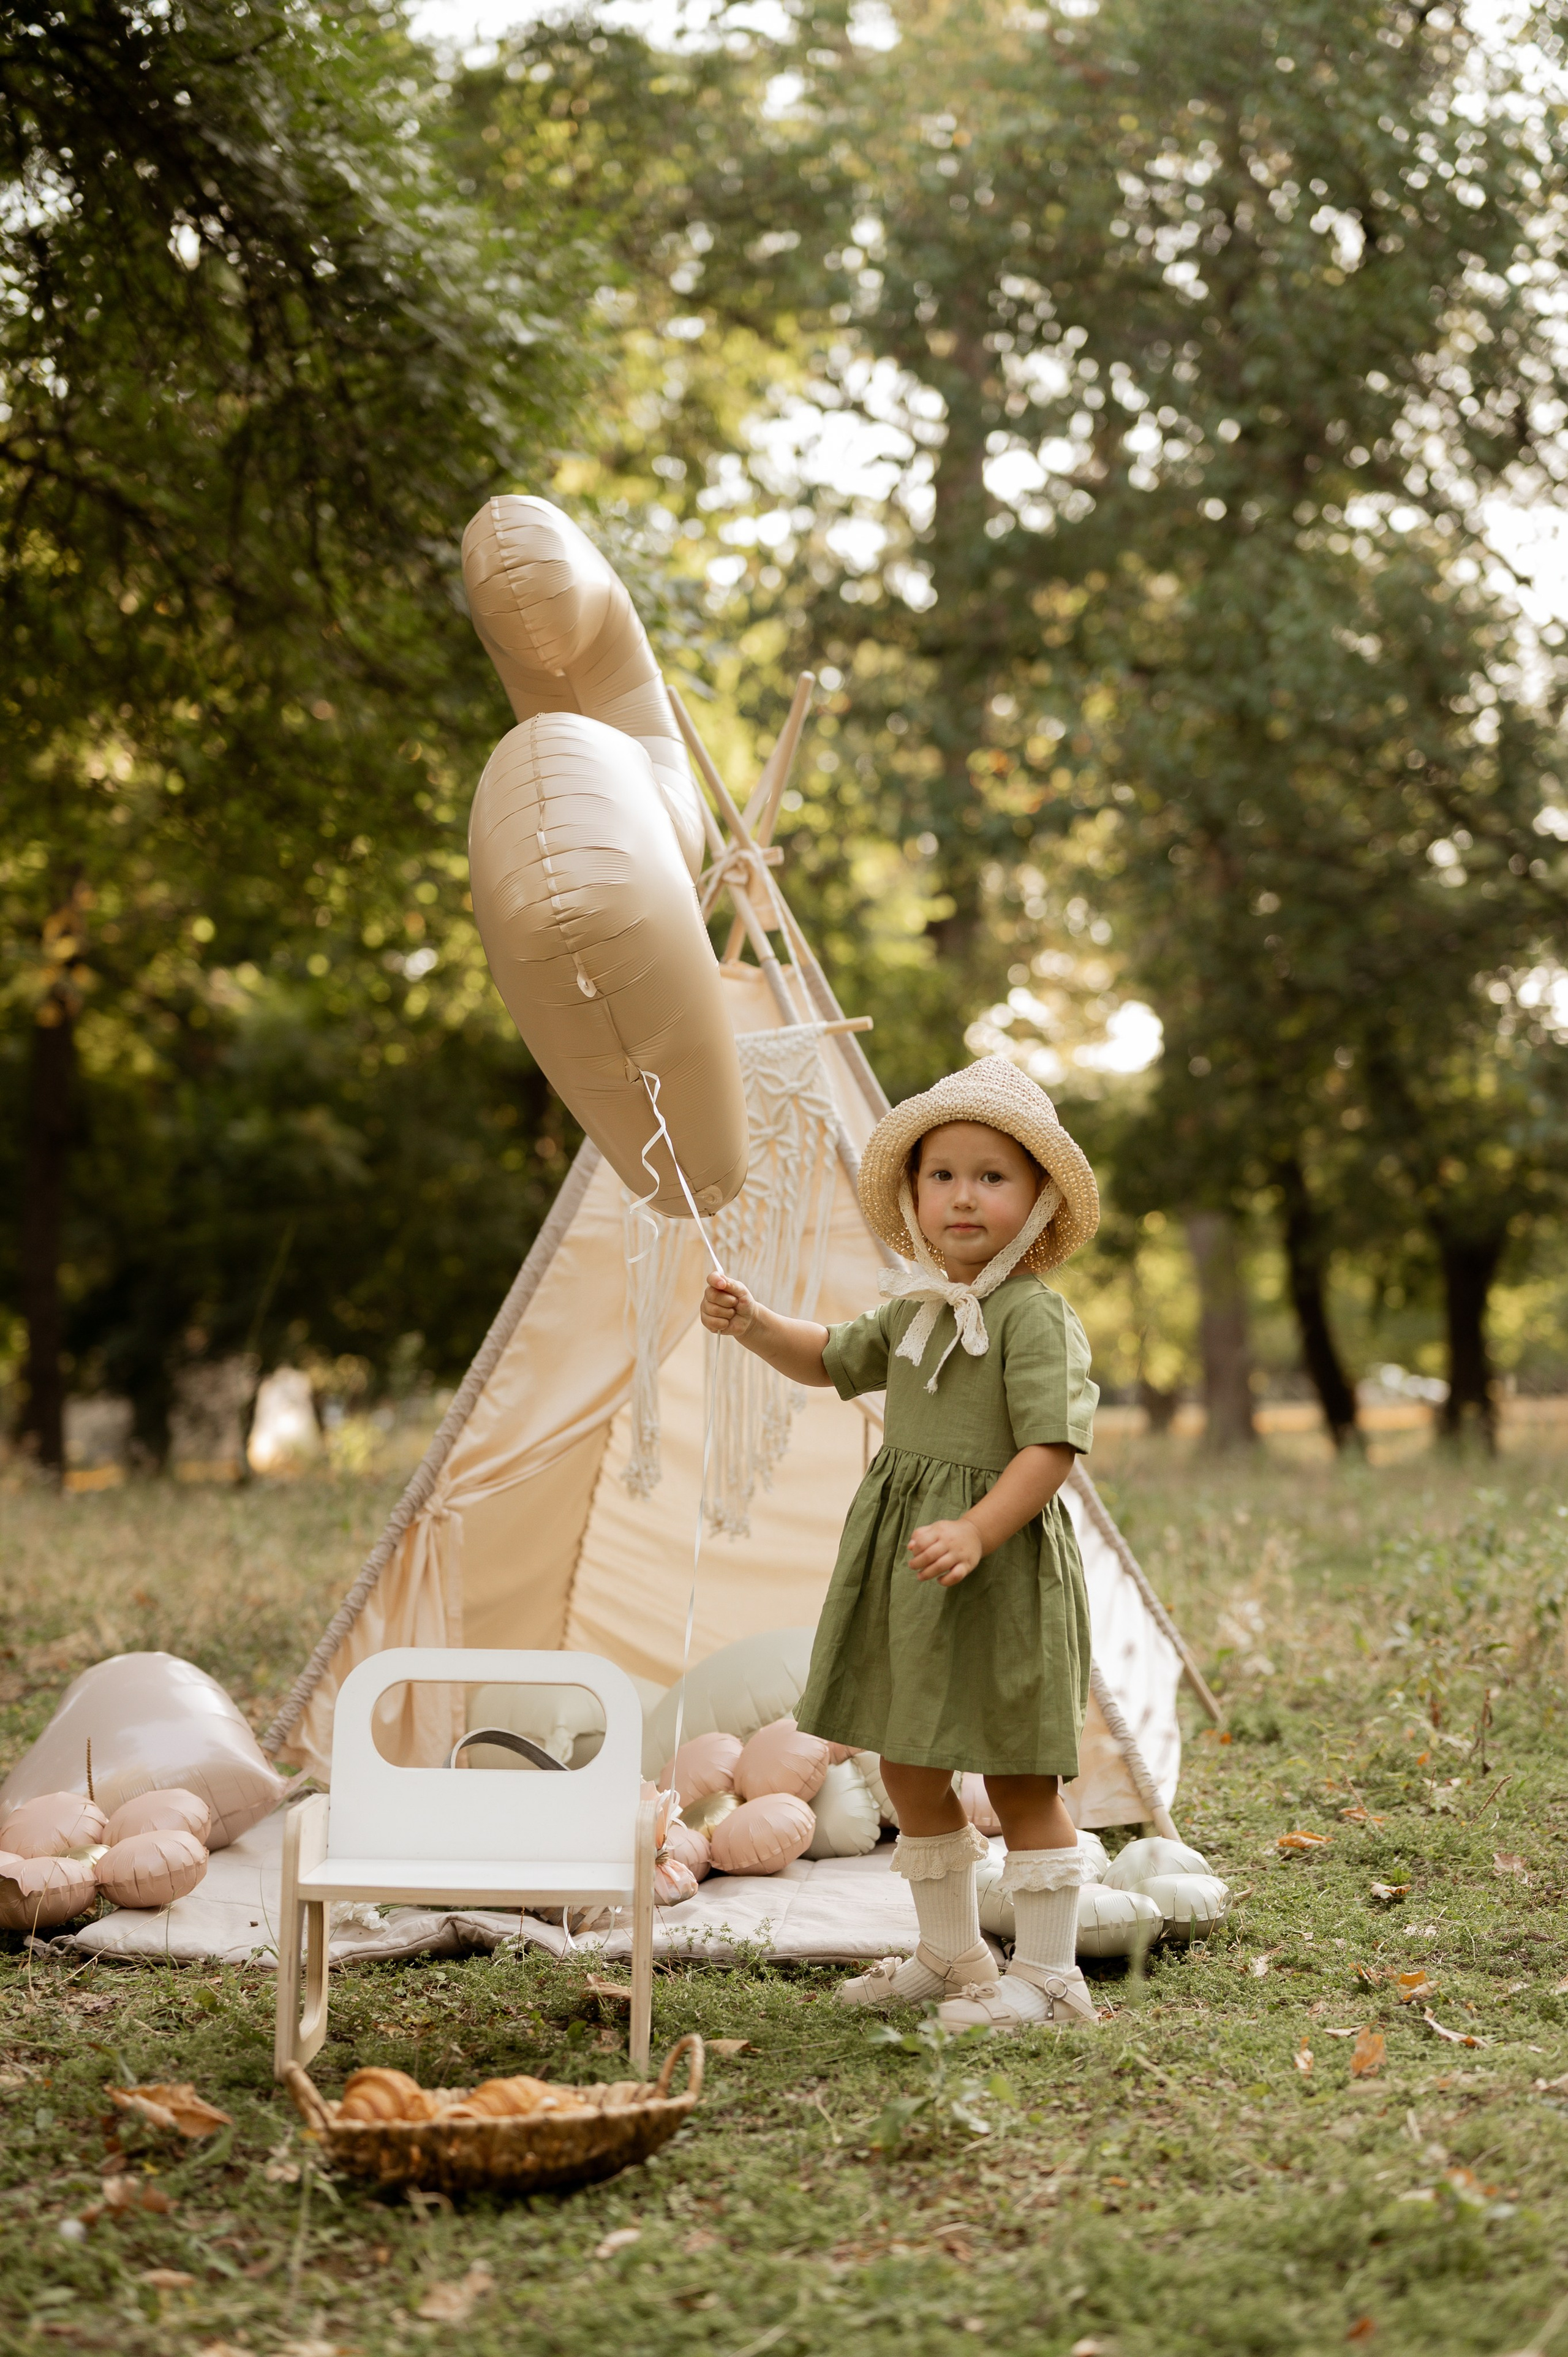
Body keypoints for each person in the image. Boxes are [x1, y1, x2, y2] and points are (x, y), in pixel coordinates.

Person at [700, 1054, 1102, 2034]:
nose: (963, 1195)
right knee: (913, 1763)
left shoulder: (1033, 1318)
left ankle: (1050, 1978)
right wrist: (753, 1324)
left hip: (999, 1568)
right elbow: (827, 1355)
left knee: (1016, 1772)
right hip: (913, 1570)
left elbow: (1052, 1448)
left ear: (1040, 1203)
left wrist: (975, 1526)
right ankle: (954, 1957)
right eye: (942, 1175)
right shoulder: (915, 1311)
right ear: (916, 1196)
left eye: (993, 1176)